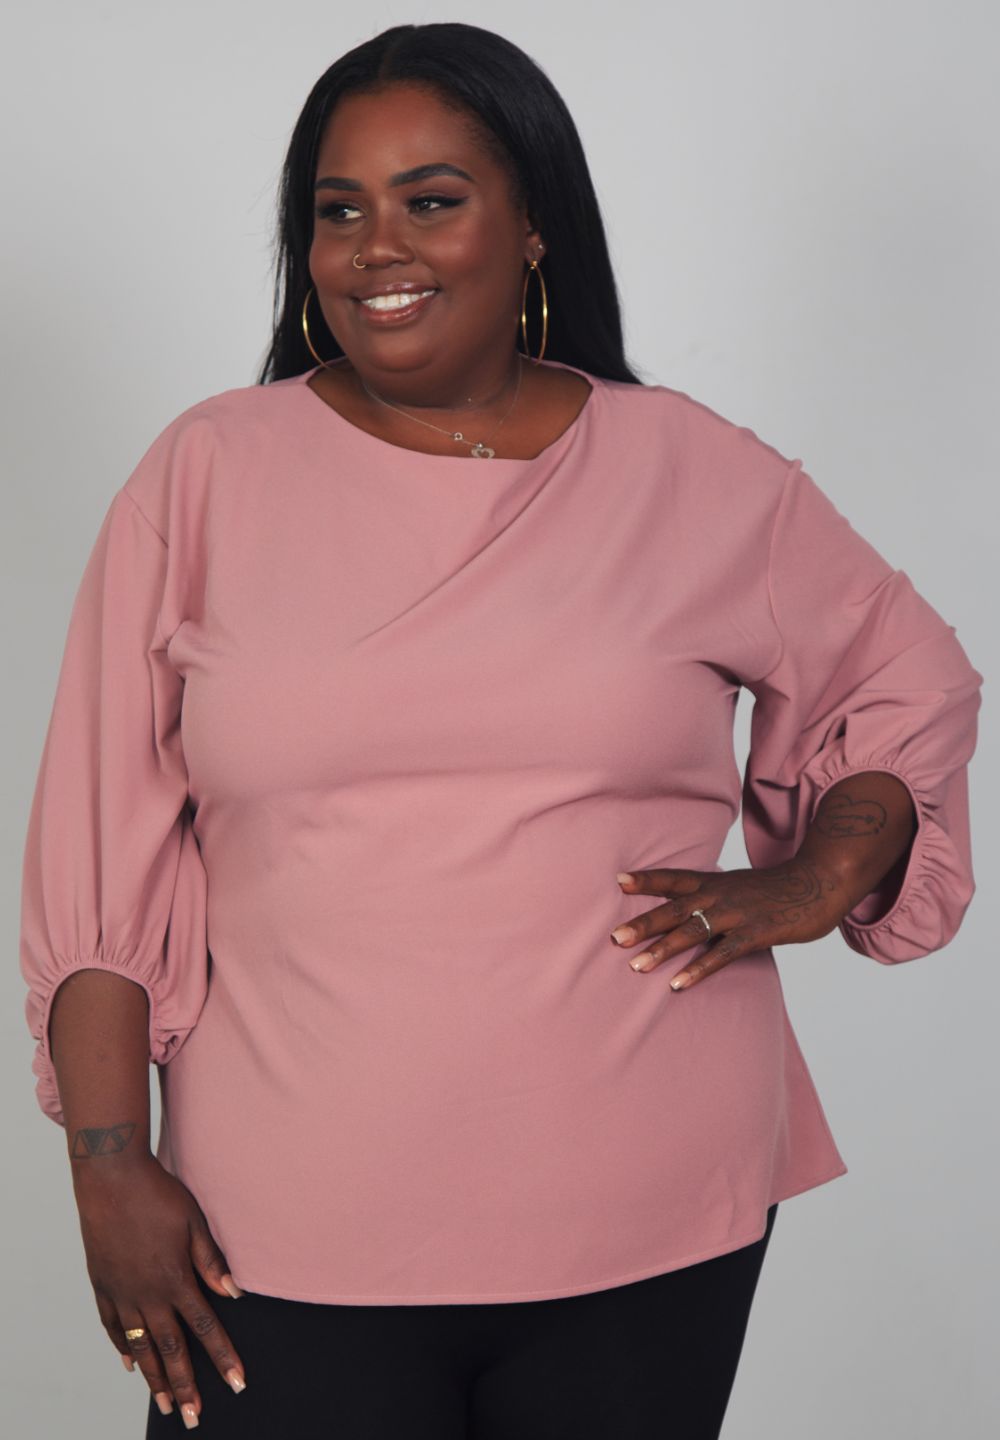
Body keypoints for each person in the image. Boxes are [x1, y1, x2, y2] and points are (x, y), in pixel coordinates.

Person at [18, 21, 982, 1440]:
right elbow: (100, 850)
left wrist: (820, 878)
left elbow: (904, 677)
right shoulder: (206, 473)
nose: (376, 247)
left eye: (431, 200)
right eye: (337, 210)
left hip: (652, 1198)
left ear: (533, 225)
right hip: (278, 1216)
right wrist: (108, 1166)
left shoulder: (689, 469)